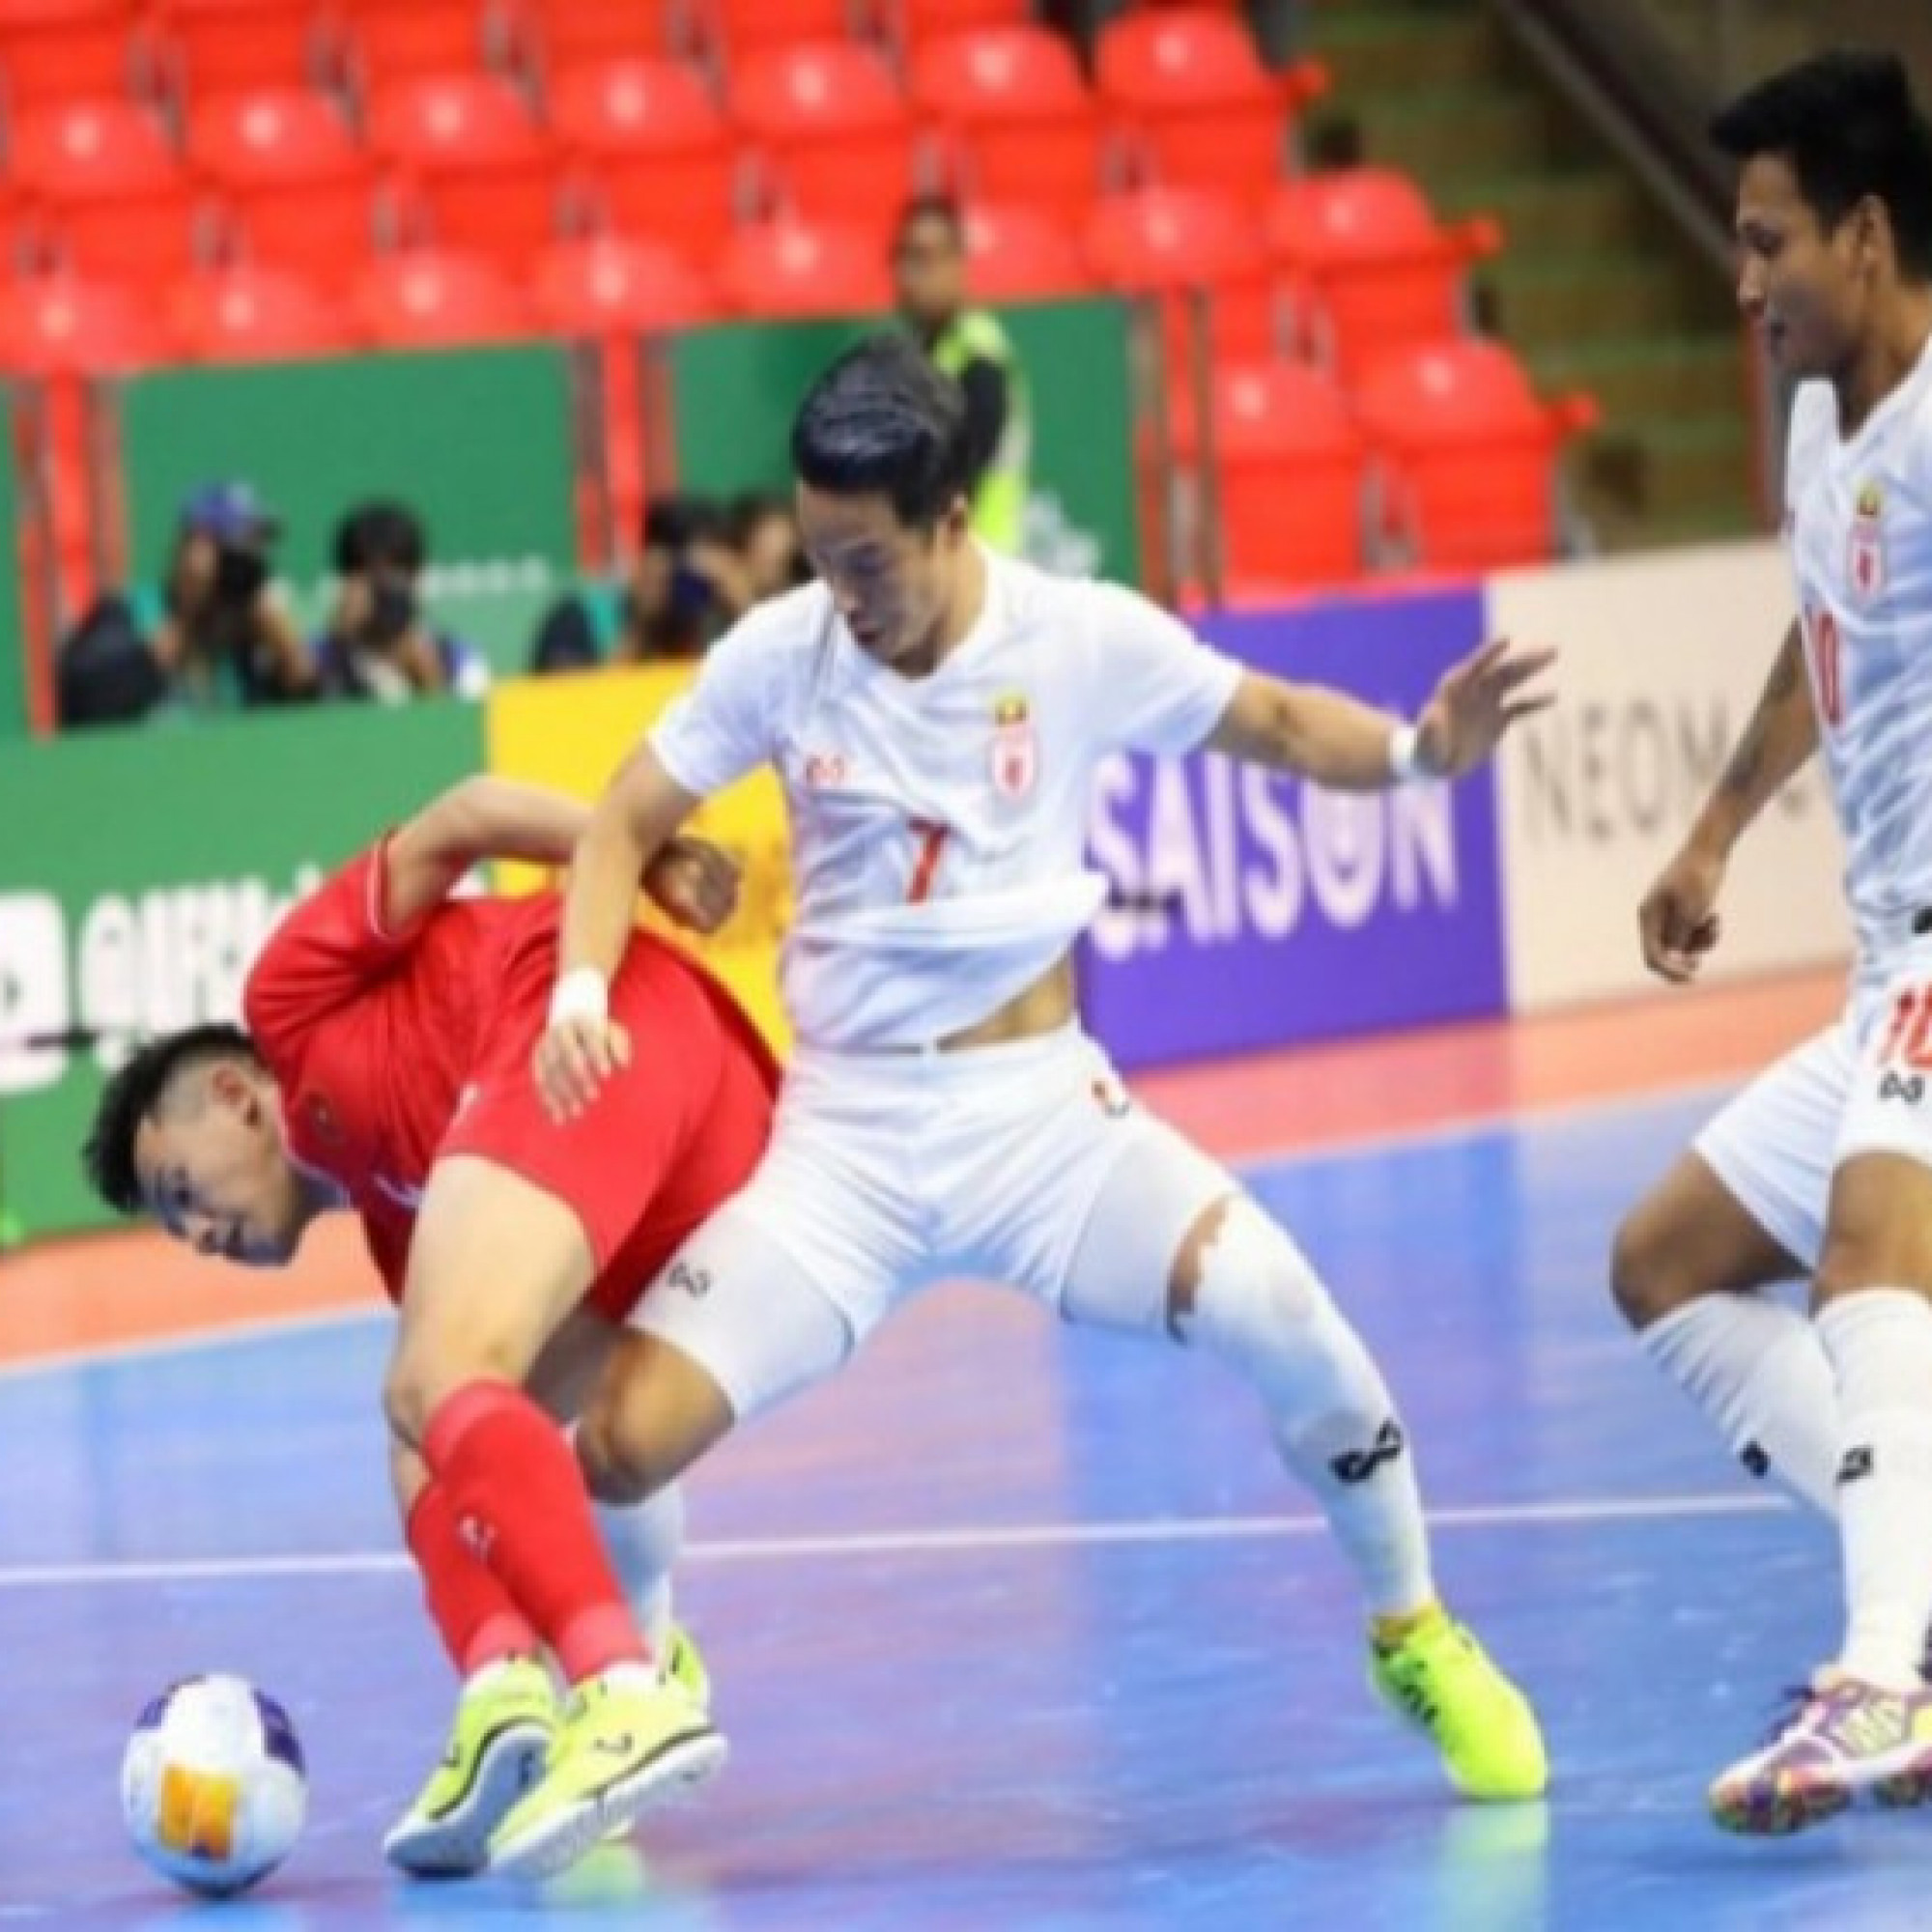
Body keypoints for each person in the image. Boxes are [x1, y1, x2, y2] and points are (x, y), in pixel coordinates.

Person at [528, 333, 1555, 1859]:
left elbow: (1273, 721)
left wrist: (1416, 754)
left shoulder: (1073, 638)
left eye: (867, 558)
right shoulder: (782, 652)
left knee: (1286, 1315)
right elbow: (618, 823)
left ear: (953, 521)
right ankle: (642, 1686)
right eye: (818, 555)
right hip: (851, 1143)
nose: (843, 593)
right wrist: (578, 991)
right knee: (614, 1441)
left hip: (1042, 1128)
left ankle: (1412, 1630)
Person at [80, 777, 781, 1878]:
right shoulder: (406, 1225)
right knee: (439, 1429)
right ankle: (512, 1682)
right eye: (177, 1228)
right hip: (690, 1157)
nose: (197, 1233)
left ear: (234, 1094)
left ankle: (616, 1685)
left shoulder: (291, 1008)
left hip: (598, 1033)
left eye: (180, 1193)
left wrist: (631, 855)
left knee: (433, 1370)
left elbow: (460, 817)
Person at [1605, 50, 1932, 1834]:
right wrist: (1718, 824)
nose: (1743, 284)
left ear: (1866, 237)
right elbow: (1828, 635)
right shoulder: (1822, 419)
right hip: (1891, 962)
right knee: (1662, 1263)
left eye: (1769, 241)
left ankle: (1885, 1671)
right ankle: (1924, 1596)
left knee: (1873, 1251)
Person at [59, 481, 317, 725]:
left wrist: (286, 650)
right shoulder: (129, 614)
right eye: (234, 554)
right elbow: (81, 699)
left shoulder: (250, 639)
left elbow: (309, 722)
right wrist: (187, 618)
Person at [893, 195, 1030, 554]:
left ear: (958, 262)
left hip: (984, 557)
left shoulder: (978, 355)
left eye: (926, 257)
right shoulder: (920, 353)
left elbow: (961, 472)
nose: (911, 274)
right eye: (905, 257)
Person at [312, 499, 489, 703]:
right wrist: (338, 646)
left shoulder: (458, 660)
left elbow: (466, 727)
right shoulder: (320, 658)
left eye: (397, 576)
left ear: (418, 577)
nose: (384, 594)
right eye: (372, 579)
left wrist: (429, 679)